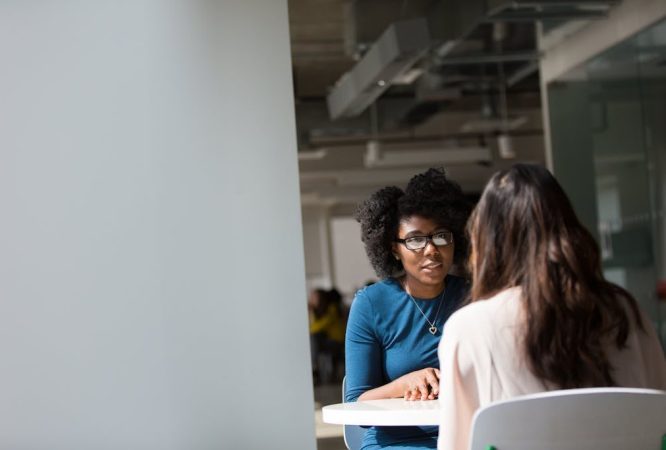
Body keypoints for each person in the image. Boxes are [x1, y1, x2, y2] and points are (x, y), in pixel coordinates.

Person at [437, 164, 666, 450]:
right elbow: (659, 419)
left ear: (488, 241)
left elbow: (455, 445)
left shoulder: (470, 328)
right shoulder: (626, 312)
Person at [346, 168, 472, 449]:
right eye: (415, 240)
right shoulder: (371, 304)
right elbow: (356, 405)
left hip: (467, 437)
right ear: (394, 249)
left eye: (441, 236)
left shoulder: (472, 296)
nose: (431, 249)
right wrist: (405, 384)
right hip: (397, 443)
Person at [309, 288, 346, 384]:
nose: (311, 299)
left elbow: (315, 328)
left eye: (314, 297)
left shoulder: (332, 309)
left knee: (313, 338)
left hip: (337, 342)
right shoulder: (318, 312)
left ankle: (314, 368)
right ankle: (314, 369)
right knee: (313, 339)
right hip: (327, 341)